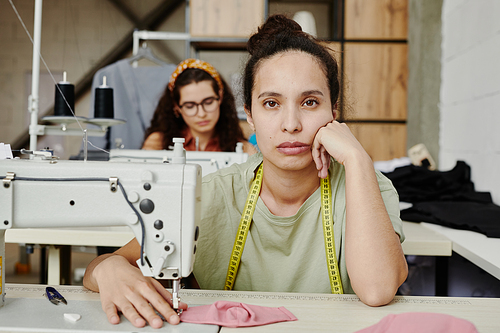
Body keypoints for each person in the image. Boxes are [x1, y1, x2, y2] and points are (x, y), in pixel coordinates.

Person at [83, 14, 408, 329]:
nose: (291, 124)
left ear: (333, 112)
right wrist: (109, 268)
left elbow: (378, 290)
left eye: (310, 102)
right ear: (249, 116)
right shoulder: (210, 194)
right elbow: (99, 267)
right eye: (271, 103)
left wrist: (358, 160)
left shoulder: (365, 186)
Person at [142, 58, 256, 154]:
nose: (201, 114)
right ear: (176, 106)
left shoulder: (245, 150)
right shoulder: (158, 143)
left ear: (220, 97)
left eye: (208, 102)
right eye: (190, 106)